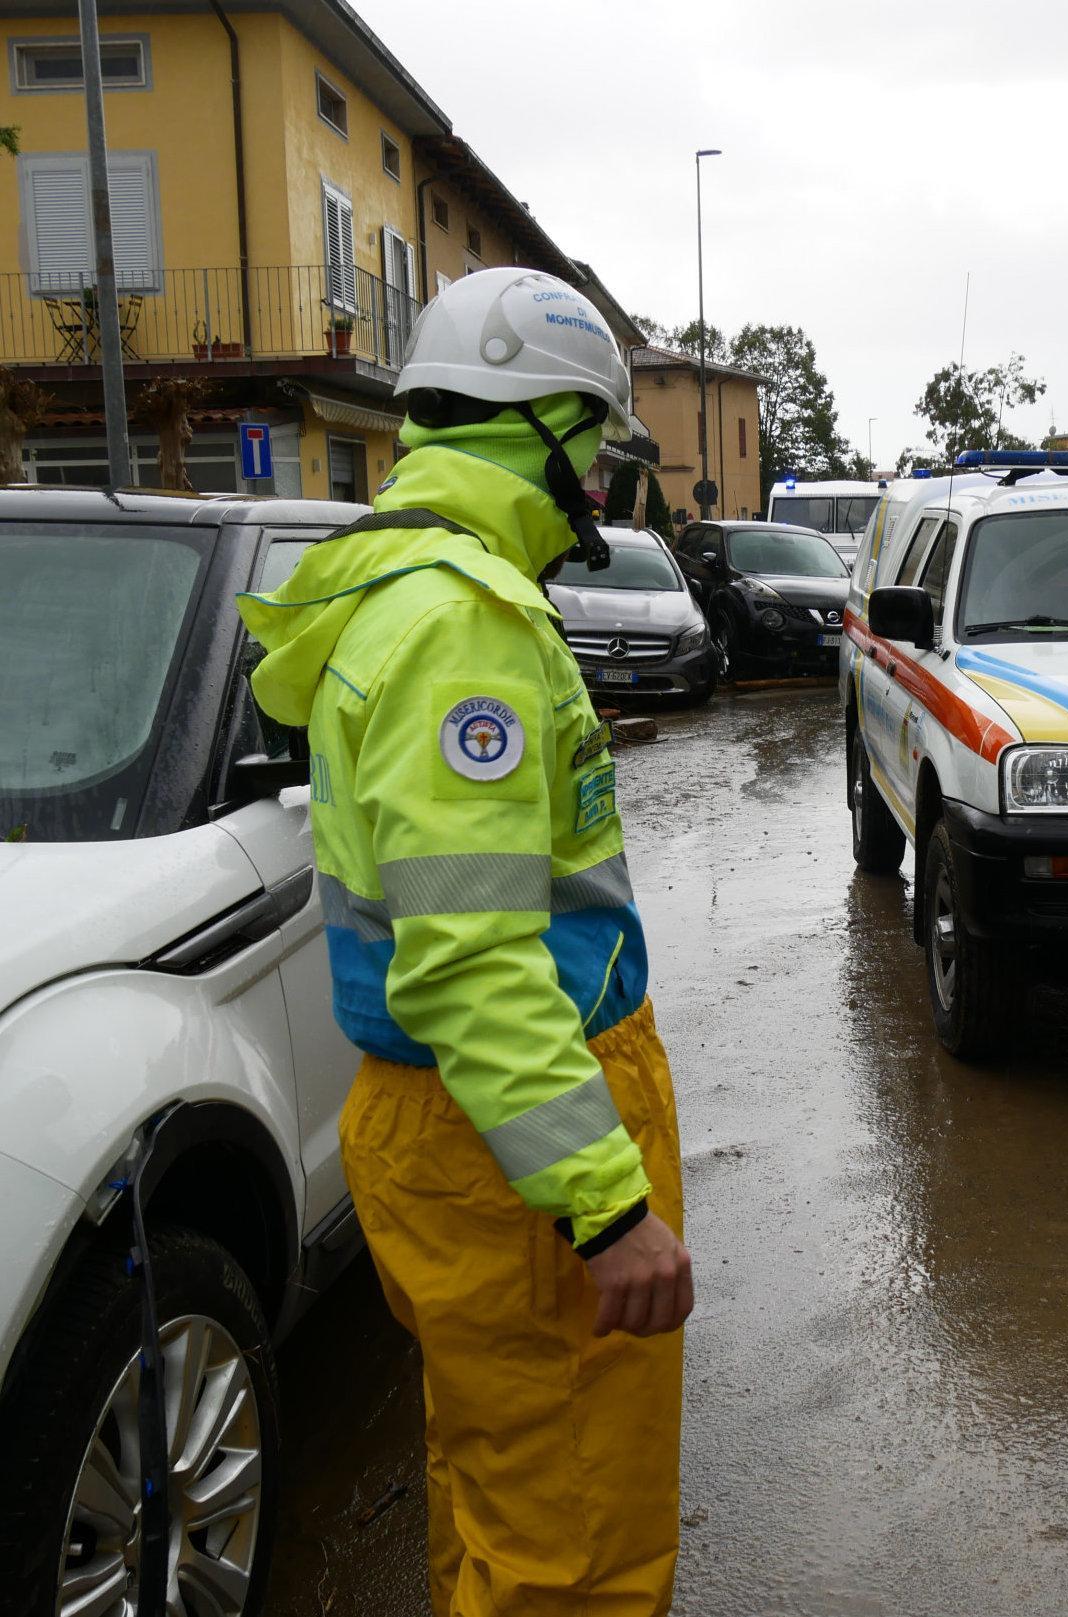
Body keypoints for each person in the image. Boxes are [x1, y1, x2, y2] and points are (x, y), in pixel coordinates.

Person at [239, 267, 692, 1616]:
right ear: (534, 428)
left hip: (465, 1131)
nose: (601, 494)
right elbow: (473, 957)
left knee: (505, 1487)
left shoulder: (404, 592)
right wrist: (605, 1207)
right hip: (516, 1146)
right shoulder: (463, 625)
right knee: (574, 1541)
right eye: (595, 453)